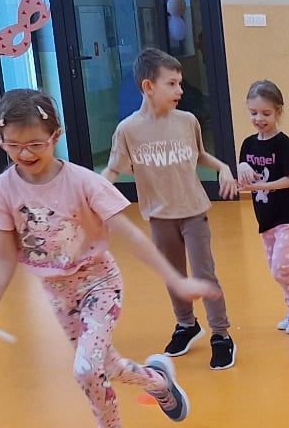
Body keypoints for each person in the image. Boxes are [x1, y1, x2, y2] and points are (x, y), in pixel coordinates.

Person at [0, 91, 211, 428]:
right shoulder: (1, 192)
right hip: (58, 294)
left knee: (85, 368)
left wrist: (177, 280)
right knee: (106, 366)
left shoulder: (83, 182)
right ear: (0, 140)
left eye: (35, 144)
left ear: (56, 136)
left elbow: (131, 235)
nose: (24, 154)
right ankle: (158, 382)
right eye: (13, 145)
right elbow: (4, 256)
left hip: (99, 284)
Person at [102, 47, 239, 369]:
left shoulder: (187, 121)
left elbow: (200, 155)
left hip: (193, 211)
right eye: (172, 84)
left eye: (180, 83)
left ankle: (221, 334)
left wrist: (224, 168)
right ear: (148, 87)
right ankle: (187, 324)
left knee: (204, 273)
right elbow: (113, 169)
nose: (180, 90)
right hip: (159, 215)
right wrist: (90, 195)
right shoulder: (128, 130)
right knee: (174, 275)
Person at [236, 79, 289, 334]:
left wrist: (260, 186)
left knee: (282, 266)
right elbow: (244, 172)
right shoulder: (248, 144)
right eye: (253, 113)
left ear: (278, 112)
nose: (259, 118)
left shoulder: (285, 145)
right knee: (275, 269)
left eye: (266, 113)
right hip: (266, 217)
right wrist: (241, 166)